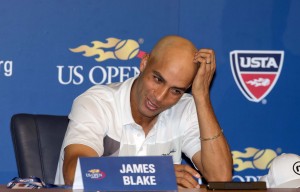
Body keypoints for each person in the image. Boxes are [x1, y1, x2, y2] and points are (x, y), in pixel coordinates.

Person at [54, 35, 233, 188]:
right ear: (144, 63)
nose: (160, 97)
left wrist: (201, 96)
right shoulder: (97, 103)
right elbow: (74, 173)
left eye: (176, 91)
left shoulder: (185, 109)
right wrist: (154, 173)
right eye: (157, 79)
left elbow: (220, 178)